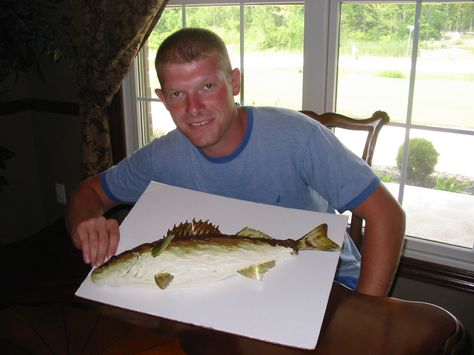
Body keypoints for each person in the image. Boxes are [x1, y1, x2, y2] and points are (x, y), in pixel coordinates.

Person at [66, 28, 405, 297]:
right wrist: (86, 225)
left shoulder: (299, 137)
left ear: (235, 82)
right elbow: (89, 192)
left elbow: (387, 215)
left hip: (328, 283)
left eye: (208, 86)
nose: (194, 108)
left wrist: (369, 309)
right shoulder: (163, 155)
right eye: (178, 94)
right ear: (162, 98)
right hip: (230, 291)